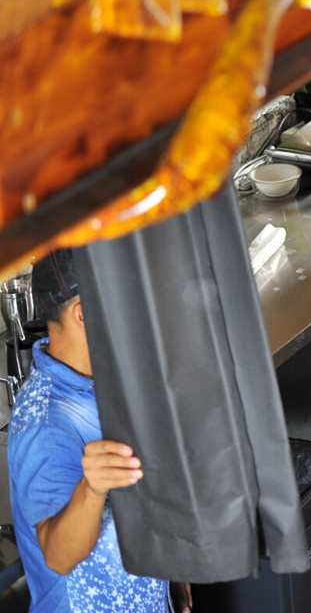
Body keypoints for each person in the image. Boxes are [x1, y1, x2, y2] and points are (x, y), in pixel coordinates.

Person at [7, 249, 191, 613]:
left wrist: (173, 577)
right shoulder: (46, 425)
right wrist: (92, 488)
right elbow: (58, 555)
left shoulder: (109, 378)